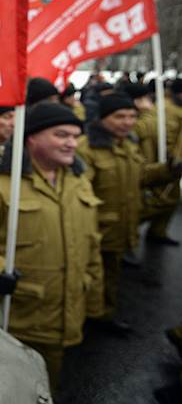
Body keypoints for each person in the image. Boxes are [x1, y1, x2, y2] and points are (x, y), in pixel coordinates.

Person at [0, 102, 104, 391]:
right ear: (32, 137)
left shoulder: (79, 180)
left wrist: (94, 302)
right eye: (61, 135)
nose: (73, 143)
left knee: (45, 387)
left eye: (75, 135)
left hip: (65, 313)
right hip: (17, 316)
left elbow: (91, 243)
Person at [76, 94, 174, 331]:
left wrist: (169, 170)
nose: (127, 122)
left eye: (131, 116)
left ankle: (102, 315)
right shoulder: (86, 150)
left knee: (111, 275)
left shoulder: (128, 146)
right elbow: (78, 194)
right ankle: (87, 319)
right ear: (102, 119)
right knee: (91, 278)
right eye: (119, 116)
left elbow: (140, 177)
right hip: (97, 230)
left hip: (120, 228)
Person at [127, 82, 182, 247]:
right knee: (156, 201)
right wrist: (171, 157)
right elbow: (165, 135)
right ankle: (126, 237)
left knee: (171, 198)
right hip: (156, 160)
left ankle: (157, 231)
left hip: (165, 162)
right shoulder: (164, 111)